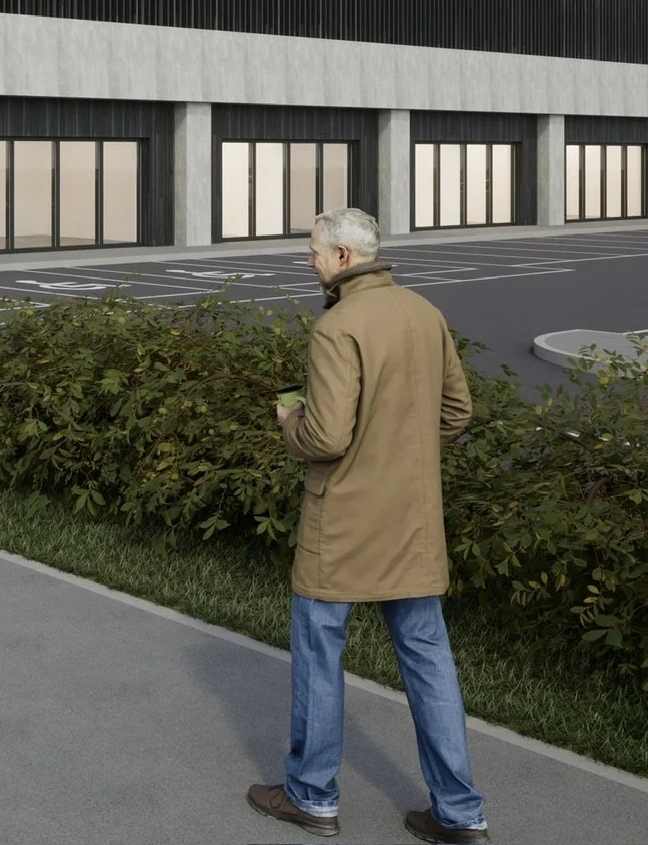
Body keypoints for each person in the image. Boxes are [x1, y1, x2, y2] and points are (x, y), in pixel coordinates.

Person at [245, 206, 487, 843]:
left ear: (344, 257)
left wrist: (288, 421)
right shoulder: (424, 312)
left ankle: (311, 797)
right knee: (428, 658)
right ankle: (461, 813)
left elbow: (326, 437)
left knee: (319, 653)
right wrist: (398, 449)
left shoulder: (338, 326)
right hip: (412, 519)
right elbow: (457, 411)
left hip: (343, 522)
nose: (310, 261)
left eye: (315, 252)